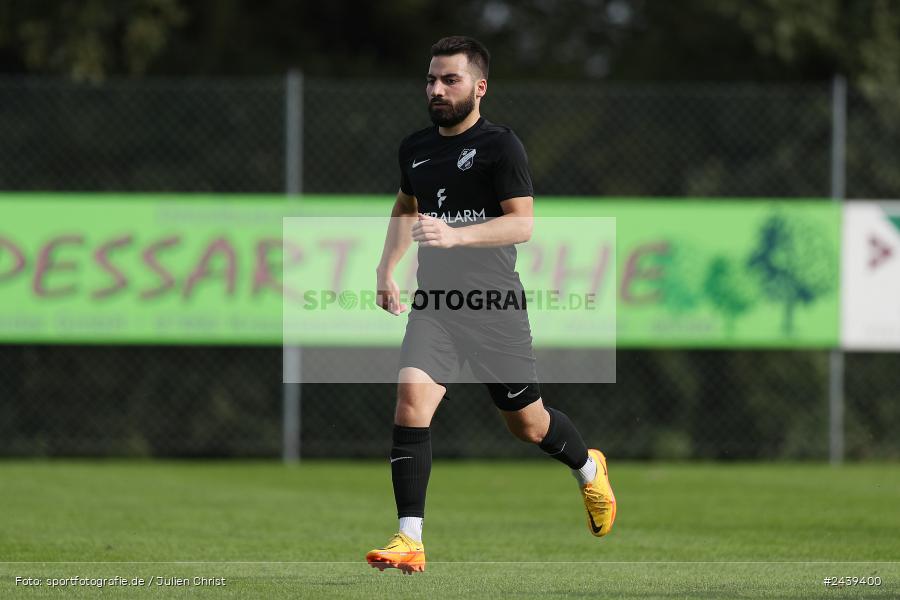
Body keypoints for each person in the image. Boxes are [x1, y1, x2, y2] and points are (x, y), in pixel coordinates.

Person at [367, 36, 615, 575]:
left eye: (449, 79)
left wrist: (456, 235)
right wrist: (387, 266)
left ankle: (588, 468)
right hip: (435, 304)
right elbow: (407, 204)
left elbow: (522, 223)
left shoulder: (503, 147)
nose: (436, 88)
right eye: (431, 79)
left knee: (527, 425)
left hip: (494, 307)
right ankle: (410, 539)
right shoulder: (416, 148)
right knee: (411, 400)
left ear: (479, 87)